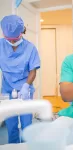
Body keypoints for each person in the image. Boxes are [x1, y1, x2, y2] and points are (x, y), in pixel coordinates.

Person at [0, 15, 40, 143]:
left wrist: (26, 86)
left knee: (26, 125)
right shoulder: (1, 46)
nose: (12, 42)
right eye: (9, 39)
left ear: (22, 32)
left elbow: (33, 71)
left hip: (25, 90)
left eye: (14, 39)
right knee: (11, 125)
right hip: (7, 91)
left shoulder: (30, 48)